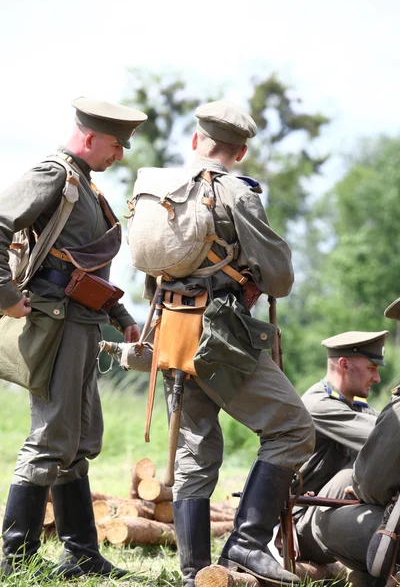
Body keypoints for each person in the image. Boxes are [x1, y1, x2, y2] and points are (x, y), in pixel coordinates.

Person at [139, 101, 315, 586]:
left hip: (171, 331)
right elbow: (279, 278)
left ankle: (196, 569)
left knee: (195, 447)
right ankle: (246, 544)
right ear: (238, 151)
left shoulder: (160, 191)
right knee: (293, 428)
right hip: (218, 334)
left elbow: (149, 277)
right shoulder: (237, 192)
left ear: (196, 141)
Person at [0, 97, 147, 578]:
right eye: (116, 143)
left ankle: (80, 553)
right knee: (50, 440)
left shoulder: (86, 186)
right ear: (88, 137)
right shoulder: (53, 175)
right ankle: (16, 556)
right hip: (56, 322)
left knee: (80, 442)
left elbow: (81, 267)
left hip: (82, 324)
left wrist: (121, 313)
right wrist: (4, 294)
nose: (120, 154)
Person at [294, 331, 386, 562]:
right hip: (301, 521)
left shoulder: (354, 405)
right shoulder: (319, 405)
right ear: (344, 365)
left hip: (327, 507)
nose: (377, 379)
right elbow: (385, 437)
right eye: (371, 368)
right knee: (378, 456)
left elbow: (387, 425)